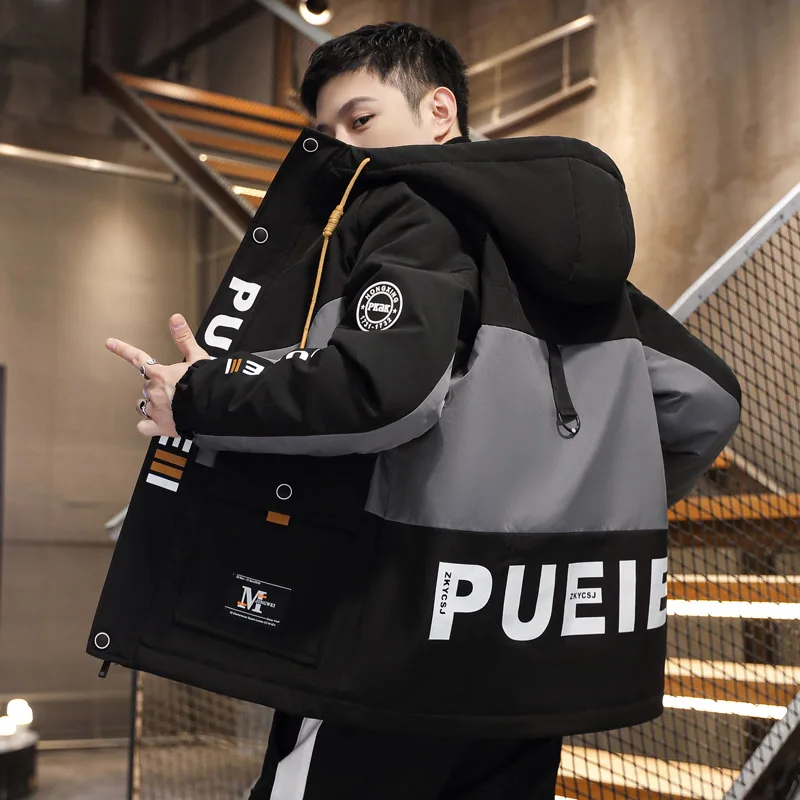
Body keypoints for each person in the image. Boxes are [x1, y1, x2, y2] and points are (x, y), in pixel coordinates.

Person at [90, 22, 741, 800]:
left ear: (439, 112)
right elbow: (706, 401)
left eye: (359, 120)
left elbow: (382, 393)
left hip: (396, 639)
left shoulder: (404, 204)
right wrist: (567, 509)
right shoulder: (561, 259)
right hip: (534, 661)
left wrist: (199, 395)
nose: (339, 148)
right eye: (323, 131)